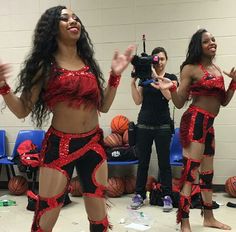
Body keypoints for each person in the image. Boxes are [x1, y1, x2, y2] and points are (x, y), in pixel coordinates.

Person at [0, 5, 134, 232]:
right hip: (60, 147)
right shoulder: (44, 66)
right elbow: (23, 110)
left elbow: (103, 105)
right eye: (65, 18)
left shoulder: (87, 63)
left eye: (75, 18)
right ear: (52, 28)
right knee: (45, 218)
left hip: (93, 145)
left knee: (99, 219)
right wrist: (3, 87)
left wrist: (115, 76)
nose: (73, 21)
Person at [157, 28, 236, 231]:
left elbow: (224, 102)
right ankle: (184, 221)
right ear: (197, 46)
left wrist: (234, 83)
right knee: (190, 173)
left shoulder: (217, 69)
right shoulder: (190, 68)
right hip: (194, 122)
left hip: (209, 125)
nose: (212, 43)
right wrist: (171, 88)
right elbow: (179, 102)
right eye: (206, 41)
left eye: (213, 40)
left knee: (207, 174)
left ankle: (208, 217)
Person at [130, 47, 178, 212]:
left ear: (166, 60)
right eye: (156, 59)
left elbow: (169, 96)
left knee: (164, 163)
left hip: (163, 126)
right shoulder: (144, 78)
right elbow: (137, 101)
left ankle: (167, 196)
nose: (159, 62)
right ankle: (139, 195)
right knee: (143, 162)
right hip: (144, 125)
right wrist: (133, 81)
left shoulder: (171, 78)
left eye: (162, 59)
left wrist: (155, 77)